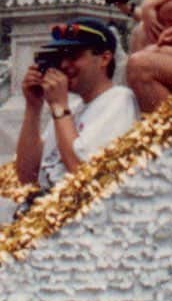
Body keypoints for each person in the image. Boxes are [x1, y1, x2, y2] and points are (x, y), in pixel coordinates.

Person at [15, 18, 139, 191]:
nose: (64, 65)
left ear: (104, 58)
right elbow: (27, 177)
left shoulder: (119, 100)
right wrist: (33, 107)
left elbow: (83, 173)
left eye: (74, 56)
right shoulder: (71, 108)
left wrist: (59, 107)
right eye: (61, 57)